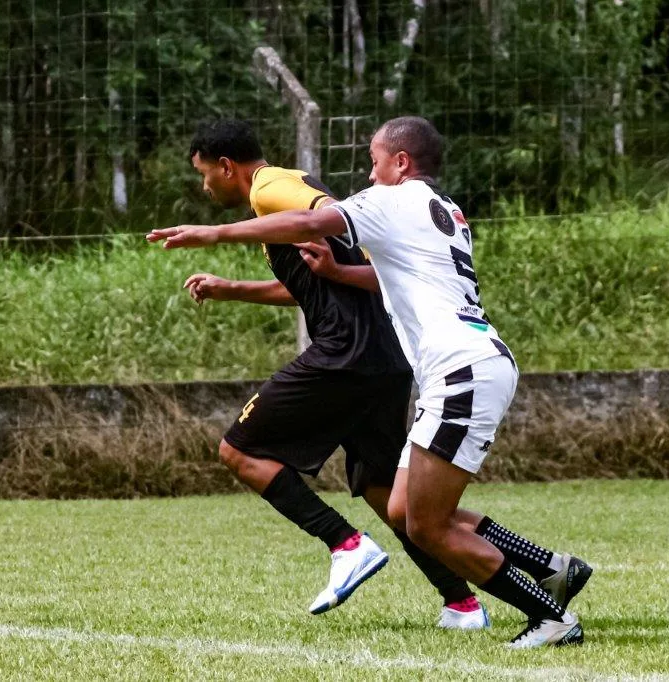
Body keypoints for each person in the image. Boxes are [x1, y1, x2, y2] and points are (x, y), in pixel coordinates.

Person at [148, 116, 592, 649]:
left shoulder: (388, 199)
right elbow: (391, 277)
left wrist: (213, 233)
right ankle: (549, 569)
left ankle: (549, 617)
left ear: (400, 162)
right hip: (468, 361)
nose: (368, 172)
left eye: (374, 160)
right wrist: (334, 275)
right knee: (403, 507)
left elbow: (311, 219)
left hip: (459, 369)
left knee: (425, 524)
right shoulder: (444, 211)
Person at [176, 119, 489, 627]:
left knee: (239, 450)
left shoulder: (269, 187)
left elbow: (322, 215)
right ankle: (462, 603)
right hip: (384, 356)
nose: (205, 185)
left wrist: (215, 236)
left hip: (346, 351)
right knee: (382, 488)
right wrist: (231, 288)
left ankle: (345, 544)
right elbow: (314, 281)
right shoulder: (285, 188)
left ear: (227, 167)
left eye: (204, 174)